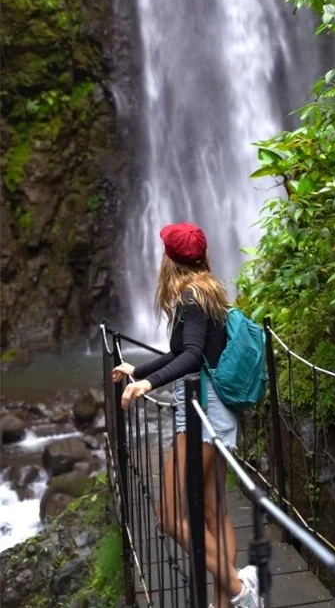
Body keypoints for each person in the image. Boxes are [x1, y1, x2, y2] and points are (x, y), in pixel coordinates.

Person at [112, 222, 261, 608]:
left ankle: (239, 591)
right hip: (217, 410)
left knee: (170, 516)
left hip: (202, 412)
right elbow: (189, 351)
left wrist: (148, 385)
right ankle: (226, 603)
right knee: (213, 511)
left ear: (169, 260)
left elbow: (193, 356)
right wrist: (139, 370)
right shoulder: (208, 290)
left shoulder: (190, 298)